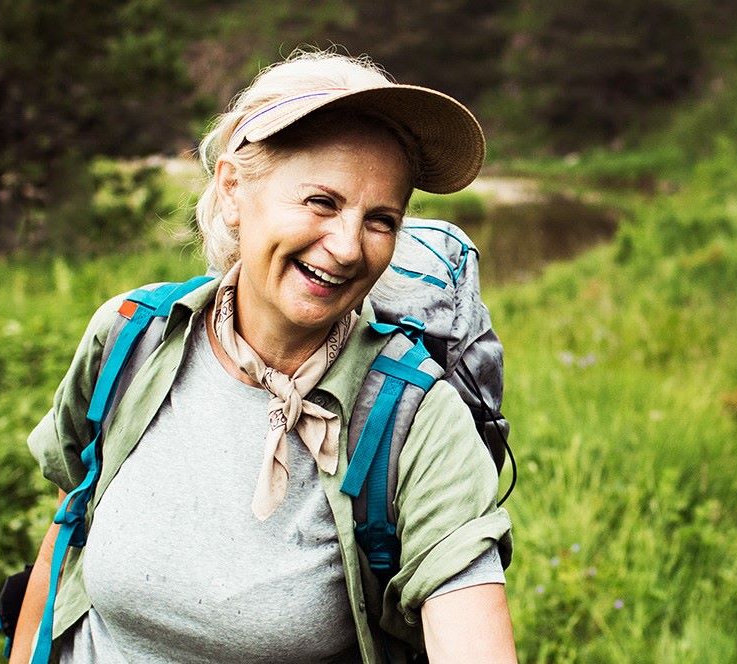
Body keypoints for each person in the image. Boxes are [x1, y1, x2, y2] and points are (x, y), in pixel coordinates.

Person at [27, 50, 515, 663]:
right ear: (233, 190)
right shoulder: (131, 340)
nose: (345, 247)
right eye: (321, 201)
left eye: (381, 220)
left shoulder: (416, 421)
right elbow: (67, 531)